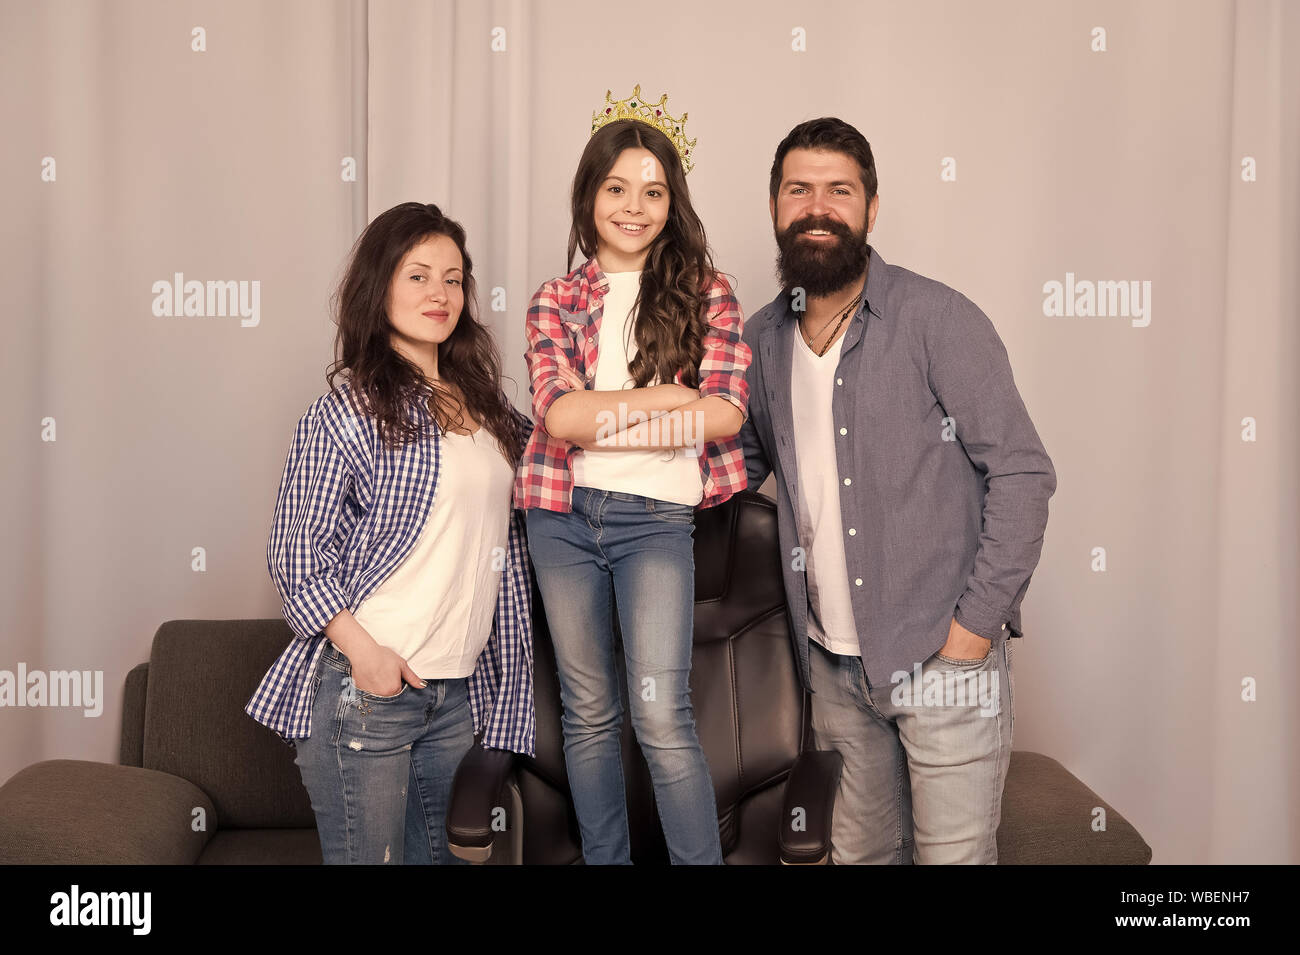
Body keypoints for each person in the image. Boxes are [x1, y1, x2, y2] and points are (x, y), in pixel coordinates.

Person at [738, 118, 1057, 864]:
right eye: (799, 190)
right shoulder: (760, 341)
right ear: (776, 207)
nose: (818, 207)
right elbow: (730, 473)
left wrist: (972, 632)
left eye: (839, 191)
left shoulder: (938, 320)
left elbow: (1022, 472)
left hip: (941, 659)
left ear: (871, 209)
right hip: (832, 671)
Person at [245, 202, 536, 864]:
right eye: (418, 275)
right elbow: (295, 555)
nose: (440, 293)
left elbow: (558, 467)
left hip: (458, 691)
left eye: (454, 278)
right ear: (380, 288)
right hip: (367, 690)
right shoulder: (348, 411)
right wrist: (368, 657)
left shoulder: (489, 407)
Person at [515, 113, 751, 864]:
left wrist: (611, 414)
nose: (633, 206)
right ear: (589, 195)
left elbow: (724, 412)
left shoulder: (708, 293)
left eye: (653, 191)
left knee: (661, 717)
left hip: (656, 521)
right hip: (564, 519)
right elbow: (559, 413)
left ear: (671, 201)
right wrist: (668, 399)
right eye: (617, 187)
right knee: (588, 714)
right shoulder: (555, 298)